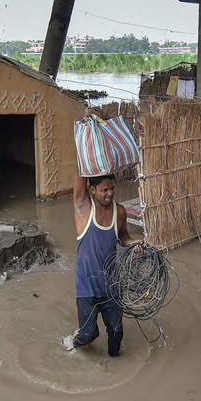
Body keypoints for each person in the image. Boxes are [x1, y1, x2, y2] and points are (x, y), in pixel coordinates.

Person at [73, 143, 142, 357]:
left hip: (111, 285)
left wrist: (135, 244)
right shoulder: (83, 207)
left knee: (117, 332)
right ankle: (74, 341)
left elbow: (123, 238)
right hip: (86, 286)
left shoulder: (119, 212)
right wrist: (87, 139)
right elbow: (80, 174)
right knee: (89, 334)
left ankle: (114, 366)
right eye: (104, 190)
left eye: (112, 189)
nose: (109, 193)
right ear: (92, 191)